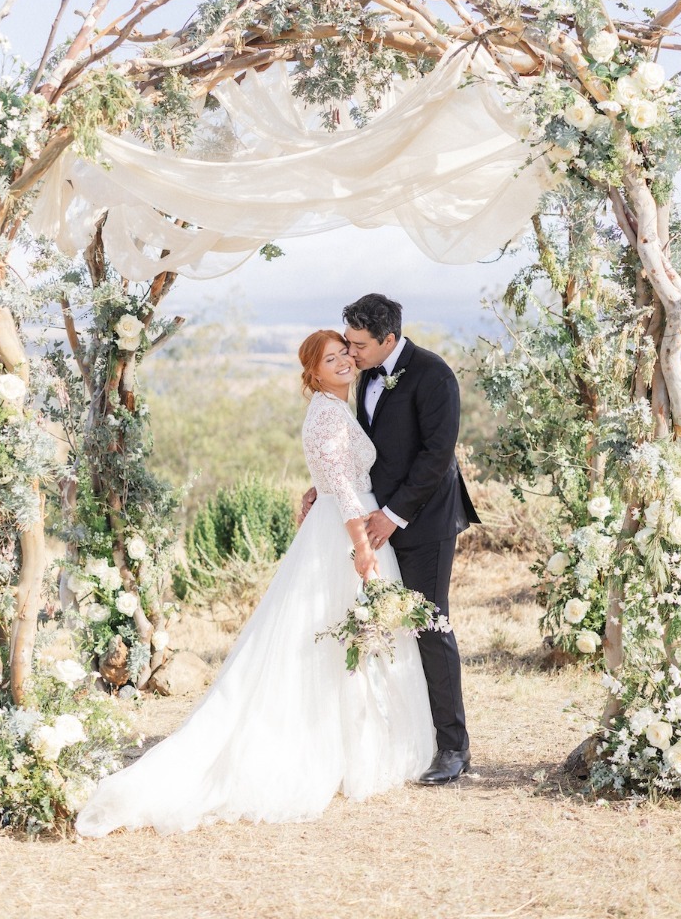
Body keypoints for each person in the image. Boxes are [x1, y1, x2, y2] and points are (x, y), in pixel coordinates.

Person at [75, 330, 433, 837]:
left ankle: (355, 742)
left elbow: (334, 478)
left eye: (344, 354)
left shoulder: (335, 409)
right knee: (340, 634)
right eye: (331, 359)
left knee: (347, 639)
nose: (344, 363)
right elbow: (347, 490)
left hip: (343, 524)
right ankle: (337, 749)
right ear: (313, 373)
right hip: (345, 534)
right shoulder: (327, 414)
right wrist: (363, 548)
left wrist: (324, 496)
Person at [342, 293, 478, 785]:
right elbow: (367, 446)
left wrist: (393, 515)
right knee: (383, 627)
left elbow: (437, 455)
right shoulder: (368, 376)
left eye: (358, 345)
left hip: (425, 522)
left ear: (389, 340)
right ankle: (402, 738)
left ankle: (453, 747)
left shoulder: (434, 374)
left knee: (429, 625)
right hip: (378, 519)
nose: (350, 352)